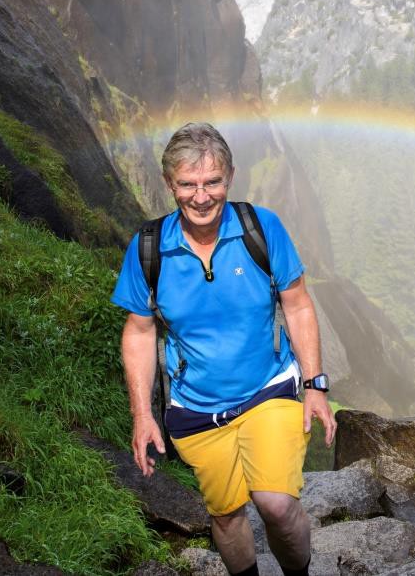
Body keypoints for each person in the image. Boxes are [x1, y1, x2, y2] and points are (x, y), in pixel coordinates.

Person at [111, 122, 337, 576]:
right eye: (188, 184)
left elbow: (296, 306)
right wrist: (142, 414)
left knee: (275, 504)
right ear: (169, 184)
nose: (201, 196)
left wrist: (314, 385)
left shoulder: (260, 228)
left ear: (230, 177)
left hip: (266, 390)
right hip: (195, 409)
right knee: (227, 513)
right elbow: (139, 333)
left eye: (212, 182)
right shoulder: (149, 249)